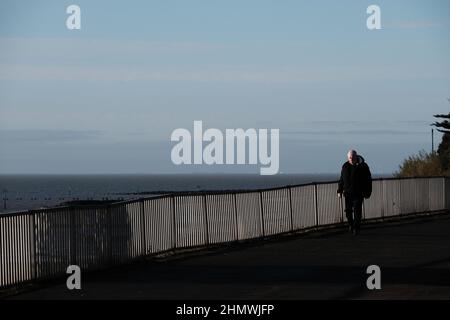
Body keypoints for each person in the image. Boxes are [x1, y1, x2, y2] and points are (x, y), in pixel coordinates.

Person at [337, 149, 372, 235]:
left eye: (352, 158)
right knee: (348, 212)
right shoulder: (345, 166)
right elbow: (341, 179)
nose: (351, 159)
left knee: (357, 212)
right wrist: (339, 190)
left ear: (356, 157)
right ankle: (351, 225)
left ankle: (356, 228)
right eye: (349, 158)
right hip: (348, 194)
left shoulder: (363, 166)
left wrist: (368, 192)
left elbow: (368, 180)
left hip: (358, 193)